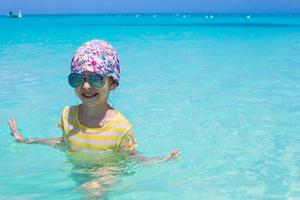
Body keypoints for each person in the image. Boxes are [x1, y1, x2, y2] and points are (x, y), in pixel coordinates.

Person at [7, 40, 180, 196]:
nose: (87, 86)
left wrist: (159, 160)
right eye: (78, 79)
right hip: (79, 171)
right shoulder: (68, 115)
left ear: (112, 83)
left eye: (96, 78)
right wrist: (27, 140)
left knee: (93, 189)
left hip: (108, 172)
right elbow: (63, 142)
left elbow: (131, 157)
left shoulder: (120, 126)